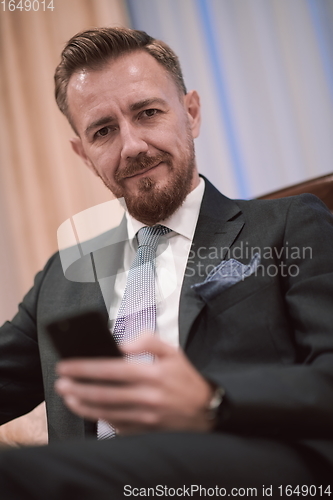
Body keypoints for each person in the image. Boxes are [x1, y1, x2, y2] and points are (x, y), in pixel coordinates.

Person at [0, 27, 333, 499]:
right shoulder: (63, 274)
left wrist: (212, 399)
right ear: (84, 155)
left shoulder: (288, 225)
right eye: (103, 131)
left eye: (148, 113)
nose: (132, 145)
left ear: (191, 113)